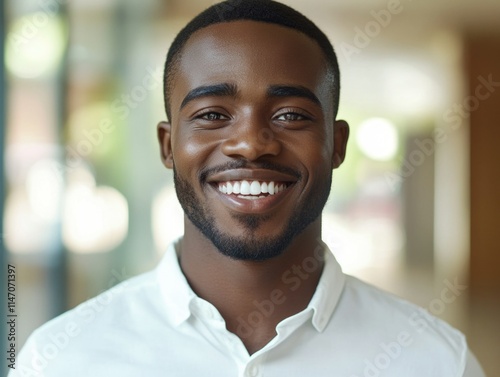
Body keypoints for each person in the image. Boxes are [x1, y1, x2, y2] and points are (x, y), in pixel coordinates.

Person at [12, 1, 486, 376]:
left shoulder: (436, 362)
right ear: (168, 145)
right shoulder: (61, 360)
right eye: (213, 115)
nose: (250, 144)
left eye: (291, 116)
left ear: (336, 144)